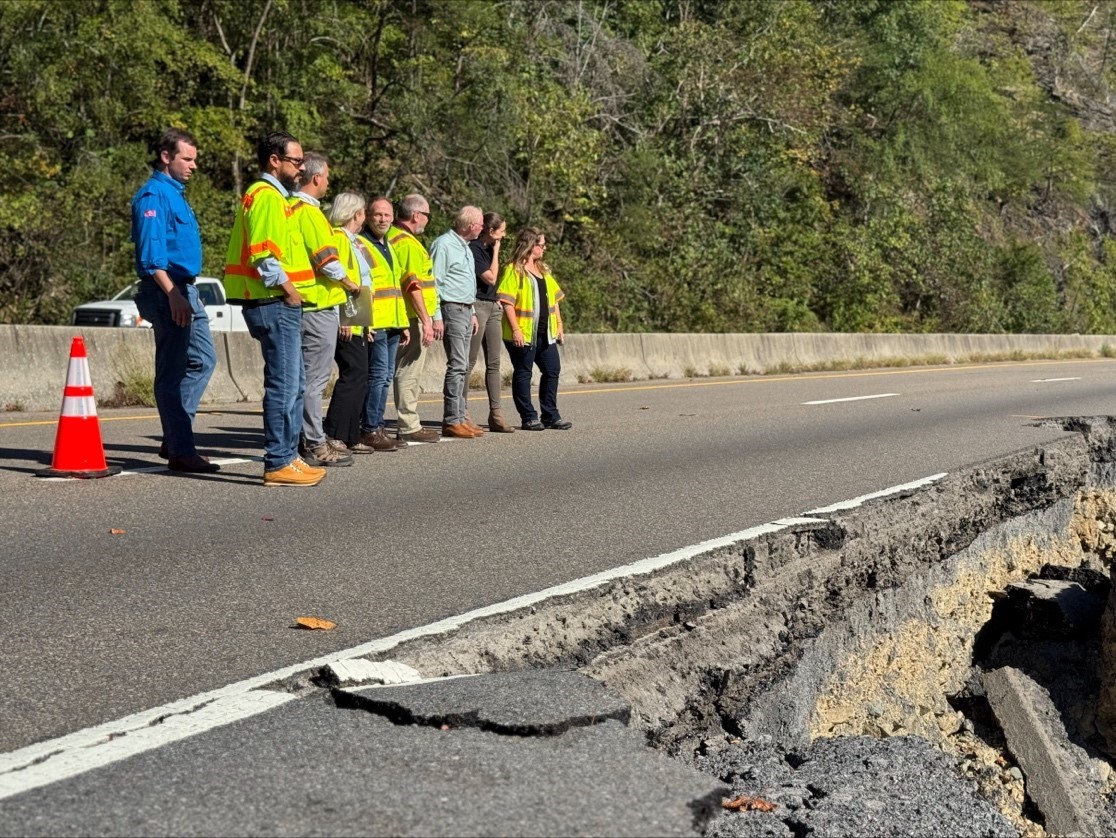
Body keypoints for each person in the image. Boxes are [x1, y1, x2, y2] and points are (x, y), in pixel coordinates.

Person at [223, 131, 326, 486]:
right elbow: (264, 254)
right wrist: (290, 291)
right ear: (274, 160)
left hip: (278, 302)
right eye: (296, 161)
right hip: (273, 301)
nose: (300, 167)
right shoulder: (265, 196)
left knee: (294, 384)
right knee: (284, 384)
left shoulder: (276, 198)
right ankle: (278, 461)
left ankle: (289, 456)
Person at [131, 127, 218, 473]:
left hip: (187, 289)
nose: (193, 165)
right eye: (187, 158)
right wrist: (174, 295)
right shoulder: (153, 196)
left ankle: (175, 436)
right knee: (172, 371)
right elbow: (152, 258)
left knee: (203, 360)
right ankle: (181, 449)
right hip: (169, 290)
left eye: (195, 159)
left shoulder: (176, 194)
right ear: (166, 157)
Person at [289, 152, 358, 467]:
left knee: (306, 379)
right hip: (317, 304)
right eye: (327, 175)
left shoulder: (291, 209)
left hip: (309, 304)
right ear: (316, 178)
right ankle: (315, 443)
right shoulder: (310, 213)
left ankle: (306, 438)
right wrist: (349, 284)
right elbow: (327, 261)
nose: (328, 181)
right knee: (313, 381)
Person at [497, 228, 571, 431]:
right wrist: (515, 330)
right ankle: (528, 416)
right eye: (541, 244)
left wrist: (560, 325)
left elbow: (554, 301)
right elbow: (507, 302)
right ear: (530, 245)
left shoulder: (543, 271)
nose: (544, 248)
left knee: (552, 370)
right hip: (523, 333)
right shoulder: (514, 270)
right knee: (523, 373)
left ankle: (551, 415)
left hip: (544, 333)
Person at [323, 192, 374, 454]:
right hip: (347, 318)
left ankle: (351, 433)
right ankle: (334, 432)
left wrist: (367, 322)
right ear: (356, 214)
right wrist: (345, 316)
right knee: (352, 374)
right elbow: (338, 278)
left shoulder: (353, 241)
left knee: (360, 376)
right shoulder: (339, 238)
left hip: (358, 318)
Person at [388, 194, 442, 444]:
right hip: (411, 315)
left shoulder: (391, 237)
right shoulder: (407, 243)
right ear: (416, 215)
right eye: (427, 215)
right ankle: (408, 424)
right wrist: (427, 320)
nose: (428, 221)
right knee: (409, 371)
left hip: (398, 314)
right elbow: (413, 285)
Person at [358, 196, 410, 452]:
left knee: (386, 376)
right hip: (376, 323)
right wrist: (365, 321)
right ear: (368, 216)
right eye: (378, 215)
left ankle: (377, 425)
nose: (383, 219)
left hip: (393, 322)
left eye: (387, 215)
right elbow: (362, 286)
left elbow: (395, 287)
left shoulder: (388, 245)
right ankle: (369, 428)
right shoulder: (362, 244)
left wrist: (403, 324)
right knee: (377, 377)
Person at [429, 206, 484, 439]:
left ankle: (461, 417)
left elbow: (467, 281)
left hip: (464, 308)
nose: (482, 228)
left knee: (463, 366)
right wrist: (436, 316)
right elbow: (434, 281)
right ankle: (452, 419)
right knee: (458, 365)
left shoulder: (466, 248)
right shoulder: (443, 245)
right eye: (481, 224)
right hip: (450, 308)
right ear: (471, 226)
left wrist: (472, 311)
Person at [467, 211, 514, 433]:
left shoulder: (487, 249)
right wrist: (496, 253)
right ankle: (461, 412)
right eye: (501, 231)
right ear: (491, 230)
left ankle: (496, 413)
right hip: (477, 306)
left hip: (492, 306)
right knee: (468, 361)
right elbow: (490, 277)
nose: (503, 236)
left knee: (494, 363)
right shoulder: (475, 249)